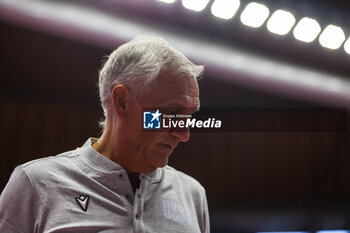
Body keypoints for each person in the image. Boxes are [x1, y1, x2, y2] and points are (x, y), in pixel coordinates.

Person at [0, 35, 209, 233]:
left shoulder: (192, 194)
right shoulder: (35, 183)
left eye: (188, 116)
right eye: (172, 113)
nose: (184, 134)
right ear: (122, 101)